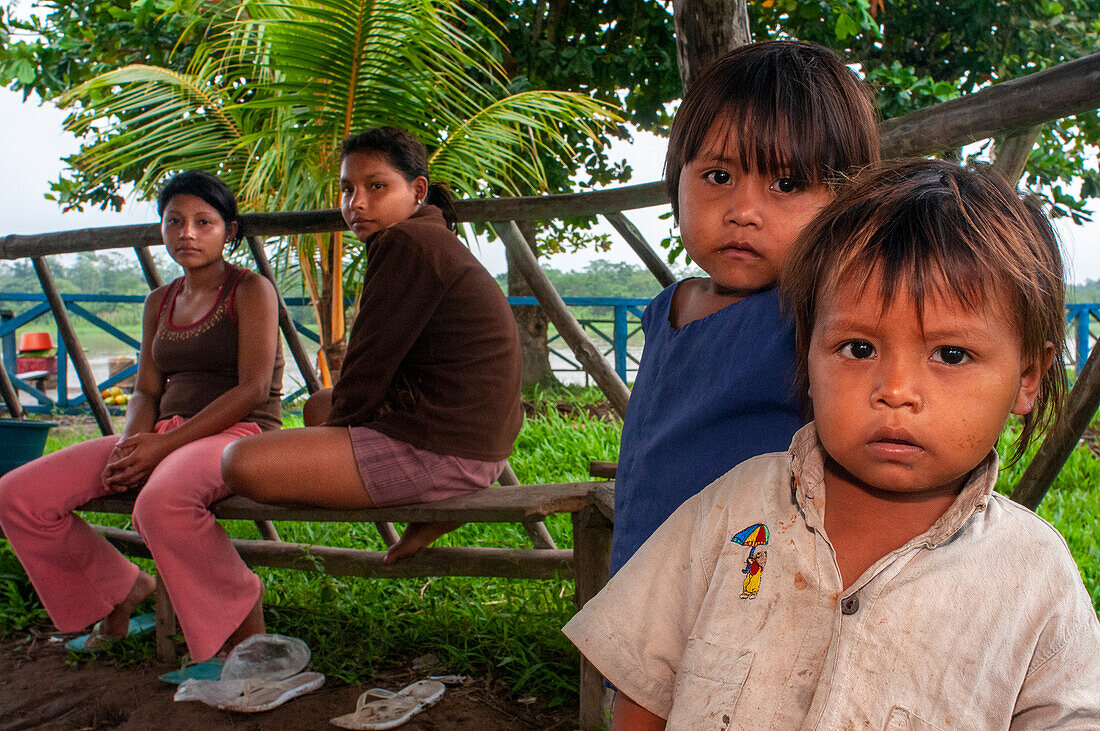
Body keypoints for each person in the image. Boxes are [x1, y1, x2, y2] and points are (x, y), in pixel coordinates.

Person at [564, 159, 1100, 728]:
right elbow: (645, 685)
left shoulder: (1034, 577)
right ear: (808, 352)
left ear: (1028, 377)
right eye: (859, 348)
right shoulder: (733, 512)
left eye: (951, 354)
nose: (895, 391)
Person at [609, 41, 880, 576]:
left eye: (786, 184)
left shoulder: (815, 319)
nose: (743, 212)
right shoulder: (669, 308)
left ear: (846, 201)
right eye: (718, 176)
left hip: (752, 585)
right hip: (644, 569)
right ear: (678, 179)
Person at [0, 170, 284, 661]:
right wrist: (133, 444)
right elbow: (147, 390)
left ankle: (248, 636)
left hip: (240, 435)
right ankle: (121, 589)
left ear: (229, 231)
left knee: (158, 506)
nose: (187, 234)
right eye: (174, 221)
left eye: (203, 222)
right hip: (165, 435)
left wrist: (163, 448)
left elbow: (252, 388)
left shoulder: (250, 289)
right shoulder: (161, 301)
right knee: (18, 496)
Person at [222, 126, 522, 563]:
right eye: (347, 189)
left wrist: (317, 450)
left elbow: (368, 364)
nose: (356, 203)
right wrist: (326, 436)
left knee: (239, 463)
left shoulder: (406, 242)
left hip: (447, 448)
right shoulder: (426, 235)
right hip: (475, 442)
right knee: (317, 407)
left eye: (376, 186)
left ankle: (442, 490)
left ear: (417, 190)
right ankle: (437, 497)